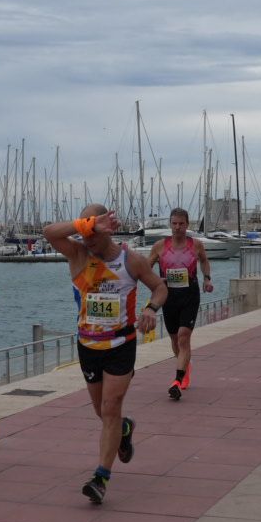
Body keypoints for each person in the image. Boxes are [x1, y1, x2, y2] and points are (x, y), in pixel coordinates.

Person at [43, 204, 167, 505]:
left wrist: (151, 309)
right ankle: (124, 429)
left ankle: (101, 477)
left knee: (110, 408)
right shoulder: (78, 255)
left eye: (93, 234)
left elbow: (160, 287)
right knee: (102, 411)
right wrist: (84, 224)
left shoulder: (132, 260)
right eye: (83, 233)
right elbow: (48, 233)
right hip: (88, 345)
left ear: (107, 229)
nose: (88, 240)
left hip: (120, 344)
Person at [146, 207, 213, 400]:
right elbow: (146, 267)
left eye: (181, 224)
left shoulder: (196, 244)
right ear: (170, 224)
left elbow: (204, 262)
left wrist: (207, 279)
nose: (177, 227)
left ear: (187, 224)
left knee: (184, 337)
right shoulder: (159, 246)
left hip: (190, 294)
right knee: (175, 339)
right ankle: (184, 364)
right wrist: (157, 282)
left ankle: (178, 379)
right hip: (168, 296)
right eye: (174, 223)